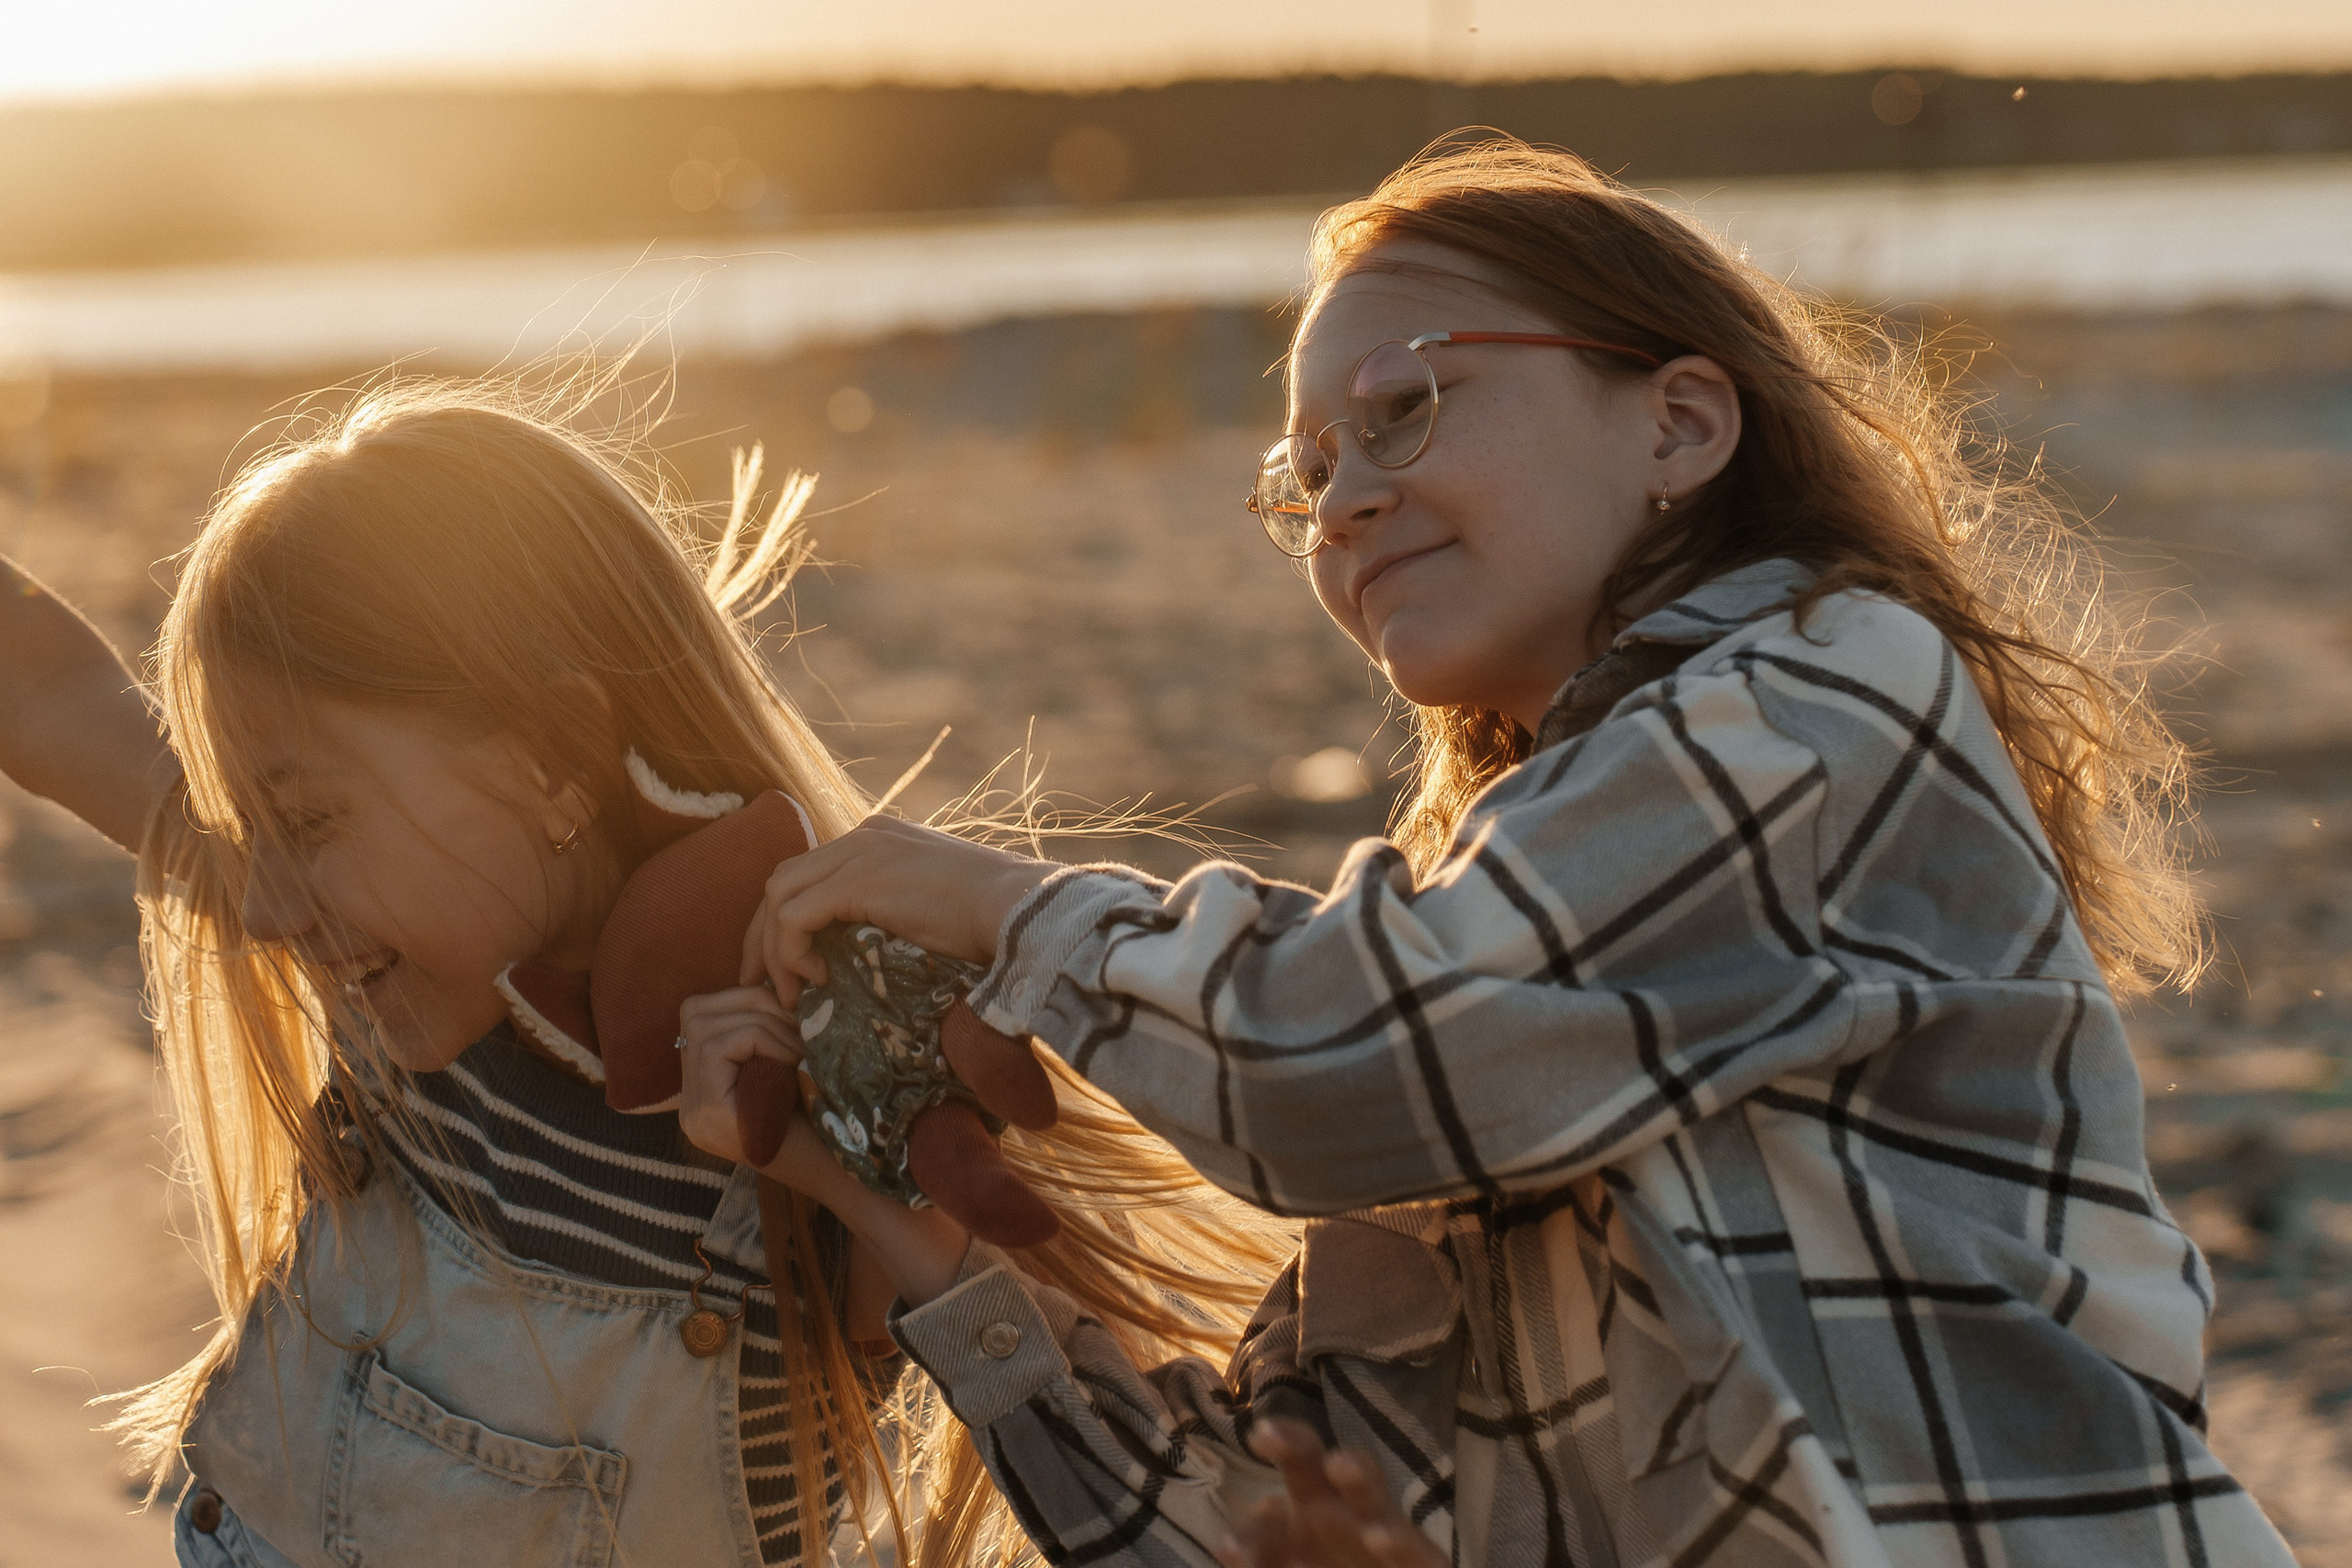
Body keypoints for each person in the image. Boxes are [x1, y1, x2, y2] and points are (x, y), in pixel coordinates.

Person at [696, 141, 2299, 1566]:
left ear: (1679, 424)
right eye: (1307, 474)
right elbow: (1232, 1519)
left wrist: (1009, 912)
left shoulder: (1825, 694)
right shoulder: (1486, 958)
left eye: (1401, 410)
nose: (1341, 503)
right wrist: (901, 1219)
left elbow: (1336, 1059)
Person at [0, 384, 1289, 1568]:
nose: (263, 906)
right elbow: (49, 694)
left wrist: (847, 1180)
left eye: (308, 820)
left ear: (549, 756)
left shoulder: (823, 1080)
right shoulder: (386, 964)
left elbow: (1116, 1483)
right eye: (253, 826)